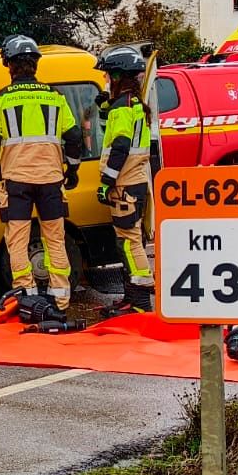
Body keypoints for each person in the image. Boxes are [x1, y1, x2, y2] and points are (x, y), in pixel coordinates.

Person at [0, 36, 85, 321]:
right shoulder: (55, 98)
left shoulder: (0, 100)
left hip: (16, 181)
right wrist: (72, 168)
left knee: (17, 239)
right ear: (35, 64)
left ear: (8, 65)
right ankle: (61, 298)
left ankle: (26, 299)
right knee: (55, 238)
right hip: (51, 179)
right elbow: (74, 137)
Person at [95, 44, 160, 314]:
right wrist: (104, 108)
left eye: (109, 75)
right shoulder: (133, 106)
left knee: (128, 242)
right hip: (135, 182)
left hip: (123, 185)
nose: (107, 80)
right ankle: (131, 296)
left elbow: (119, 145)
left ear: (119, 76)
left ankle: (140, 301)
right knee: (131, 239)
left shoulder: (123, 108)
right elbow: (114, 133)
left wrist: (107, 182)